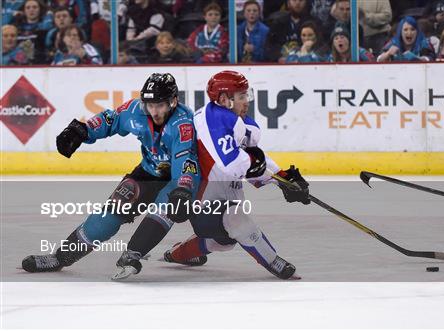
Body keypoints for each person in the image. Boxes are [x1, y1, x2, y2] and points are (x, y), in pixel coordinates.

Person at [21, 73, 201, 281]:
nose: (154, 111)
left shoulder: (183, 123)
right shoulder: (135, 109)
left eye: (159, 105)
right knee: (108, 216)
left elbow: (185, 159)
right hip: (147, 172)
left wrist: (183, 189)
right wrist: (83, 131)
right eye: (149, 105)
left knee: (164, 211)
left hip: (176, 179)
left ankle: (134, 254)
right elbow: (111, 119)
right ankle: (60, 257)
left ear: (173, 101)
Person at [162, 70, 311, 280]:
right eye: (241, 96)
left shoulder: (238, 121)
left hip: (224, 196)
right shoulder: (212, 118)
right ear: (224, 99)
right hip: (200, 201)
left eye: (246, 95)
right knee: (235, 219)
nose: (247, 101)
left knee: (224, 242)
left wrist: (283, 177)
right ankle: (273, 261)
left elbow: (251, 162)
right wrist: (267, 173)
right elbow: (231, 164)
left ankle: (177, 254)